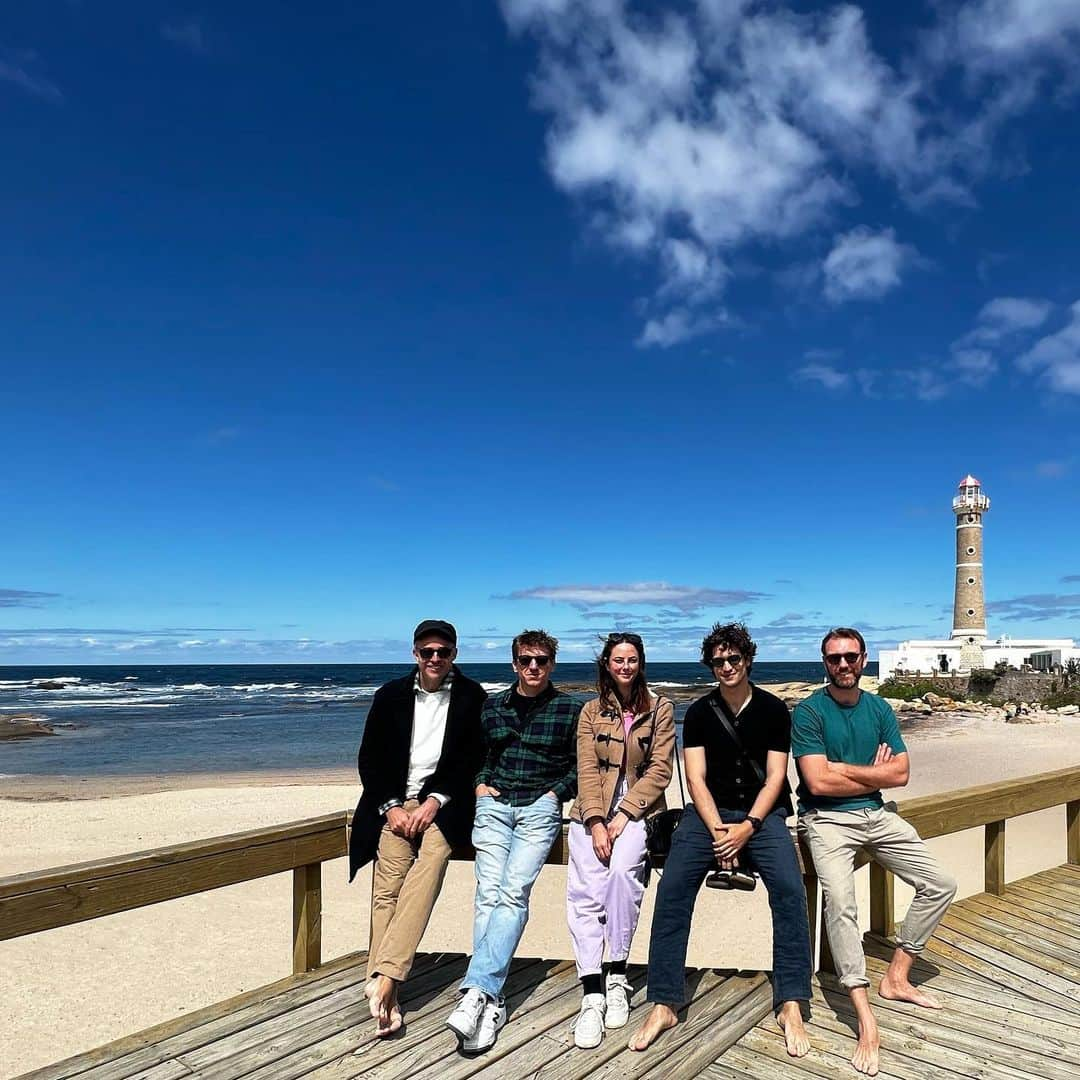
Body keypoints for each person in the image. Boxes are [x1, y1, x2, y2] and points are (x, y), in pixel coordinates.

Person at [630, 622, 812, 1057]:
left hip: (763, 815)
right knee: (672, 889)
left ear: (747, 660)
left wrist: (747, 827)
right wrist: (717, 832)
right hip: (706, 816)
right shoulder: (697, 712)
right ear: (710, 665)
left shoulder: (772, 710)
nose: (726, 666)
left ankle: (790, 1001)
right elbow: (694, 779)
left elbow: (775, 779)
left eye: (733, 659)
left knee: (789, 890)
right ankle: (665, 1002)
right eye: (718, 661)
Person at [793, 627, 957, 1077]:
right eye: (833, 658)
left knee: (941, 884)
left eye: (850, 657)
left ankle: (897, 976)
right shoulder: (809, 712)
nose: (842, 665)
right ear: (824, 663)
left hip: (876, 815)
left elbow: (901, 774)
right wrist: (872, 772)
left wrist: (845, 767)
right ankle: (865, 1016)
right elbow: (817, 784)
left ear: (864, 659)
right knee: (842, 904)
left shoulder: (880, 707)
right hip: (826, 821)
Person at [348, 620, 486, 1037]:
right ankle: (384, 990)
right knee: (387, 887)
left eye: (443, 652)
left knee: (427, 870)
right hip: (392, 805)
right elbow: (369, 759)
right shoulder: (389, 695)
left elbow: (470, 760)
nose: (435, 659)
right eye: (427, 652)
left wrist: (433, 801)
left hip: (443, 807)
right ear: (415, 654)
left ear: (454, 655)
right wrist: (390, 807)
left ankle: (384, 980)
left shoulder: (471, 697)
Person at [446, 629, 580, 1053]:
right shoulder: (493, 708)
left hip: (540, 808)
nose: (534, 667)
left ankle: (478, 991)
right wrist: (482, 784)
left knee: (513, 891)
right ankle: (490, 999)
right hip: (495, 805)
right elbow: (480, 757)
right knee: (488, 893)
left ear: (552, 664)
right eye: (526, 660)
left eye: (541, 660)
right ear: (514, 663)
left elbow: (583, 767)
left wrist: (556, 792)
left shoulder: (569, 709)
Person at [567, 632, 675, 1049]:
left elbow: (661, 769)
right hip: (591, 814)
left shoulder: (660, 707)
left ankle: (617, 974)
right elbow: (587, 770)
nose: (625, 666)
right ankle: (591, 991)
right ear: (607, 665)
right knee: (585, 893)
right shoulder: (591, 711)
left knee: (623, 876)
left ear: (640, 663)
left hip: (640, 812)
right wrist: (596, 821)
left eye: (631, 660)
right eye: (618, 660)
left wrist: (624, 814)